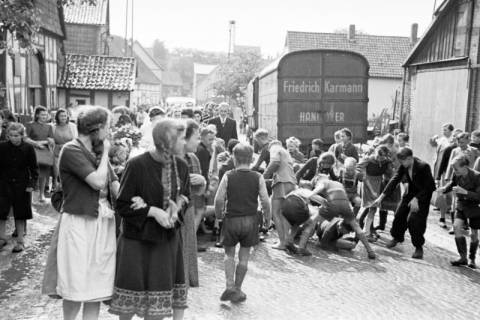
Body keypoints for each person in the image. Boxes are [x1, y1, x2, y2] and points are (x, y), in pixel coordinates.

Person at [109, 119, 190, 320]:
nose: (185, 143)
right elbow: (122, 204)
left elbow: (185, 196)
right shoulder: (136, 165)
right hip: (136, 242)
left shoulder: (182, 166)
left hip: (166, 242)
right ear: (167, 142)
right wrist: (152, 211)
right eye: (181, 139)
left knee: (157, 308)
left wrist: (175, 209)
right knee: (128, 309)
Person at [55, 105, 119, 320]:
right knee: (76, 283)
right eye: (108, 127)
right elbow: (98, 181)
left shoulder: (97, 151)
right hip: (79, 223)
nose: (109, 132)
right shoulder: (71, 150)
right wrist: (107, 152)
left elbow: (115, 185)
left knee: (96, 287)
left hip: (102, 221)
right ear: (97, 128)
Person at [214, 143, 271, 302]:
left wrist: (219, 217)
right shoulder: (258, 177)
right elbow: (266, 201)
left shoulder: (228, 175)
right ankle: (238, 289)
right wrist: (267, 219)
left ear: (233, 157)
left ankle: (229, 286)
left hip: (231, 219)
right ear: (252, 158)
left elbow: (219, 200)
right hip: (251, 221)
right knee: (244, 257)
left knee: (229, 254)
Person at [372, 147, 436, 259]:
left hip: (423, 196)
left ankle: (418, 247)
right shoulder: (404, 165)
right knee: (399, 215)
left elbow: (430, 187)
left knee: (414, 221)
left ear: (410, 158)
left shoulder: (423, 166)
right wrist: (381, 197)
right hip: (410, 194)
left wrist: (417, 199)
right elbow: (395, 179)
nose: (401, 164)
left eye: (403, 161)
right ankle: (397, 237)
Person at [294, 174, 376, 259]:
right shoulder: (338, 184)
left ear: (317, 180)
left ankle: (301, 248)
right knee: (356, 227)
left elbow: (318, 190)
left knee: (312, 222)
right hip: (345, 204)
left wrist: (311, 194)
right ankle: (370, 251)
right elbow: (343, 196)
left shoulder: (323, 181)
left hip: (332, 203)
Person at [0, 123, 38, 252]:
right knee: (1, 211)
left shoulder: (28, 148)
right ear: (7, 136)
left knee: (21, 213)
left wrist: (31, 184)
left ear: (22, 135)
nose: (13, 138)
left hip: (22, 184)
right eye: (11, 135)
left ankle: (20, 241)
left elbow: (34, 169)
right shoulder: (2, 147)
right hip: (4, 183)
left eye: (16, 135)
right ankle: (2, 238)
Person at [439, 155, 480, 268]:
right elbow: (452, 184)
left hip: (474, 207)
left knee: (474, 234)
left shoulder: (477, 176)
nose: (454, 171)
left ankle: (472, 258)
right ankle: (463, 257)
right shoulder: (456, 174)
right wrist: (444, 189)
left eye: (456, 169)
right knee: (456, 227)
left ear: (465, 167)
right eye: (453, 168)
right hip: (461, 205)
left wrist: (465, 192)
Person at [182, 119, 206, 287]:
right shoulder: (167, 158)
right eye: (196, 137)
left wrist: (202, 182)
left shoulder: (193, 159)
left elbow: (198, 193)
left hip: (187, 211)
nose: (198, 141)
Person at [263, 140, 297, 250]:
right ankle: (286, 239)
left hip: (281, 182)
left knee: (276, 213)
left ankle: (282, 242)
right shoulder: (285, 151)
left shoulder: (274, 148)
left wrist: (263, 176)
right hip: (291, 182)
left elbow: (275, 163)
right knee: (283, 213)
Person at [356, 145, 392, 242]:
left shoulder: (386, 161)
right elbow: (358, 167)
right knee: (371, 207)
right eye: (378, 156)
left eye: (381, 157)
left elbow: (390, 172)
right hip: (368, 183)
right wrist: (362, 176)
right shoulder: (369, 159)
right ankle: (366, 231)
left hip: (379, 183)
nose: (379, 159)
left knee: (373, 208)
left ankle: (366, 231)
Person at [24, 106, 54, 203]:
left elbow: (52, 139)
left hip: (44, 151)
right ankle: (30, 196)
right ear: (37, 115)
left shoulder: (49, 127)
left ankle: (41, 194)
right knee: (31, 174)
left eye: (46, 114)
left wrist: (50, 141)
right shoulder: (30, 125)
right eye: (42, 114)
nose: (44, 116)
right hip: (32, 151)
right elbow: (25, 138)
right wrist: (36, 144)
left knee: (43, 174)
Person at [52, 109, 78, 190]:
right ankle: (56, 186)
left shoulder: (72, 126)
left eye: (65, 116)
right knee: (56, 170)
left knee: (69, 169)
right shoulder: (53, 127)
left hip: (69, 150)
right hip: (57, 150)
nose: (63, 117)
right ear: (57, 117)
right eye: (61, 116)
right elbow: (51, 139)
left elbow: (76, 139)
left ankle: (69, 185)